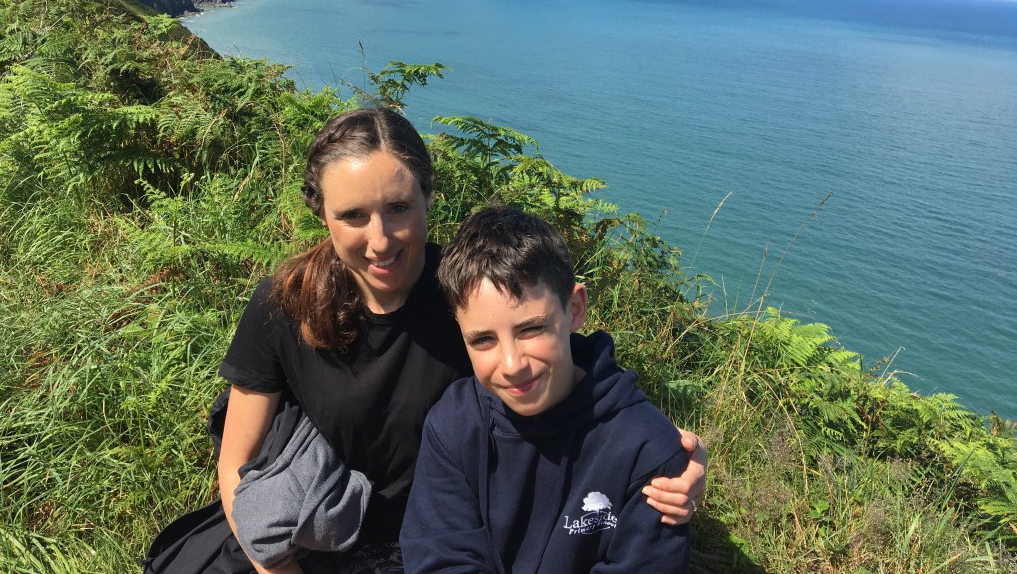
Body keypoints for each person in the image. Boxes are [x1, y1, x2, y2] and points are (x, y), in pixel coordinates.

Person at [168, 106, 704, 574]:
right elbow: (235, 465)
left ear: (428, 197)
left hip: (432, 536)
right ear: (322, 215)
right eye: (352, 216)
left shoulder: (467, 297)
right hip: (310, 525)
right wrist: (276, 567)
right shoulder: (284, 304)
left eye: (398, 208)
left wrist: (668, 459)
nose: (380, 240)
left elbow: (565, 365)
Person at [401, 206, 691, 574]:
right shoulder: (454, 425)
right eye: (483, 340)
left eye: (530, 329)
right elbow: (439, 558)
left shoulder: (645, 450)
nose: (512, 365)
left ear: (574, 309)